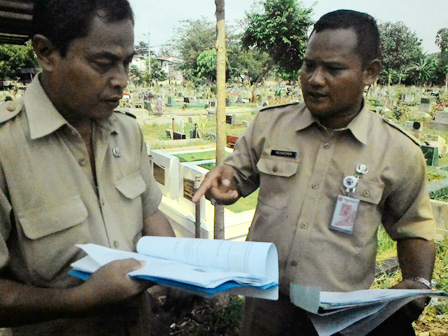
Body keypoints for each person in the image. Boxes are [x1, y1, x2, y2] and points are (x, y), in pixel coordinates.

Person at [193, 9, 435, 336]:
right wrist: (225, 182)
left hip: (339, 318)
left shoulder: (399, 151)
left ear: (370, 73)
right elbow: (236, 175)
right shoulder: (270, 124)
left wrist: (418, 282)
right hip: (266, 307)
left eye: (333, 68)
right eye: (309, 65)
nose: (315, 79)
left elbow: (414, 228)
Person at [0, 0, 175, 335]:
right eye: (103, 63)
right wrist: (82, 298)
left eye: (127, 62)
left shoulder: (128, 131)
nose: (122, 80)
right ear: (46, 52)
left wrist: (179, 271)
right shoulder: (6, 148)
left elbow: (149, 213)